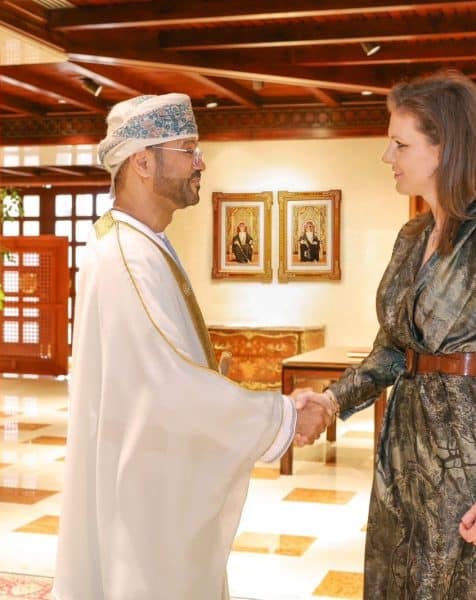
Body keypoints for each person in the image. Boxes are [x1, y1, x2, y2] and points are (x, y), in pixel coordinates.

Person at [53, 93, 331, 600]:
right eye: (188, 150)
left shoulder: (141, 242)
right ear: (143, 162)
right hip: (144, 494)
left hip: (150, 475)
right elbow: (170, 386)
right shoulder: (125, 255)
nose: (200, 163)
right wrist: (282, 416)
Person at [300, 72, 476, 598]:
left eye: (400, 143)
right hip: (404, 453)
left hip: (472, 459)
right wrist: (331, 400)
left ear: (445, 148)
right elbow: (393, 351)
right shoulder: (412, 235)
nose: (386, 156)